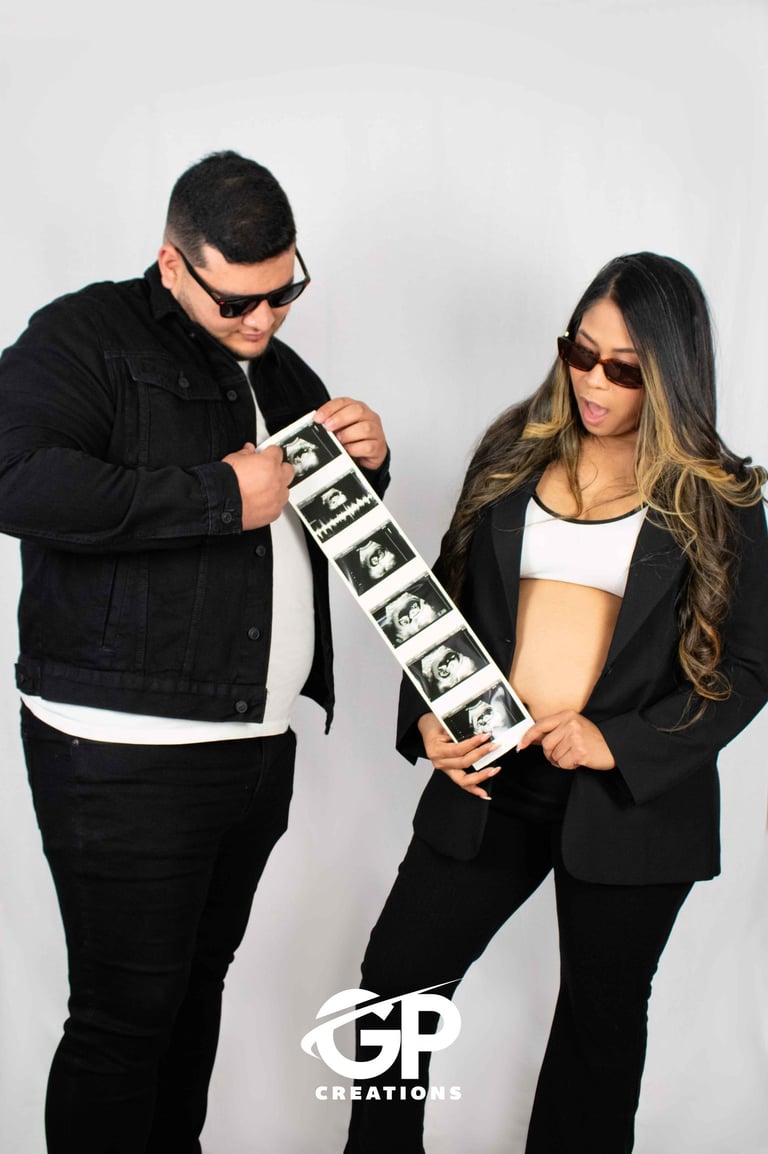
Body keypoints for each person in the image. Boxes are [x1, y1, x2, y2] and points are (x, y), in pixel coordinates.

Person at [0, 150, 390, 1154]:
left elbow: (313, 534)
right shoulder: (84, 334)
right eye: (237, 302)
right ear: (173, 263)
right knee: (124, 1022)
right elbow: (16, 478)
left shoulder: (282, 373)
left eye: (283, 294)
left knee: (191, 998)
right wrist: (218, 492)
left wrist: (367, 467)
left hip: (252, 749)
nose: (263, 322)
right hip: (122, 756)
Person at [343, 252, 768, 1154]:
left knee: (596, 1029)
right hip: (492, 778)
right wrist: (426, 719)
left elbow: (750, 665)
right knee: (395, 989)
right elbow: (442, 606)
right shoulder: (513, 451)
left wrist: (622, 743)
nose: (594, 382)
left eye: (624, 369)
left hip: (630, 800)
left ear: (672, 373)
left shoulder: (718, 497)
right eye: (581, 353)